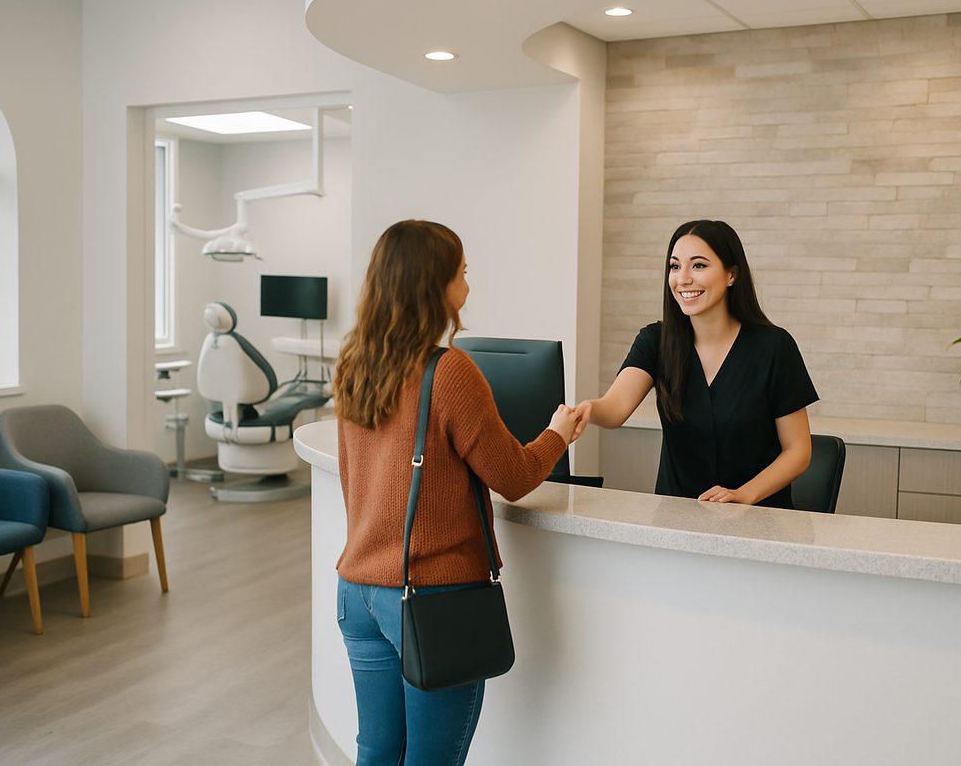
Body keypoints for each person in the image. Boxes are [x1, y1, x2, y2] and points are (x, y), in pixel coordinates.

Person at [331, 218, 582, 765]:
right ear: (434, 283)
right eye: (461, 270)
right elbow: (514, 478)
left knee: (376, 753)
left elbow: (356, 479)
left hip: (358, 590)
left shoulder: (353, 365)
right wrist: (557, 435)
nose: (468, 280)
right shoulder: (449, 372)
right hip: (432, 598)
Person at [576, 219, 817, 508]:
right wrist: (584, 410)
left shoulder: (775, 347)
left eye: (699, 266)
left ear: (731, 275)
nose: (683, 278)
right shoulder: (655, 341)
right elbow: (614, 409)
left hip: (757, 520)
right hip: (677, 521)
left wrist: (744, 495)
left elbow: (798, 450)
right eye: (675, 266)